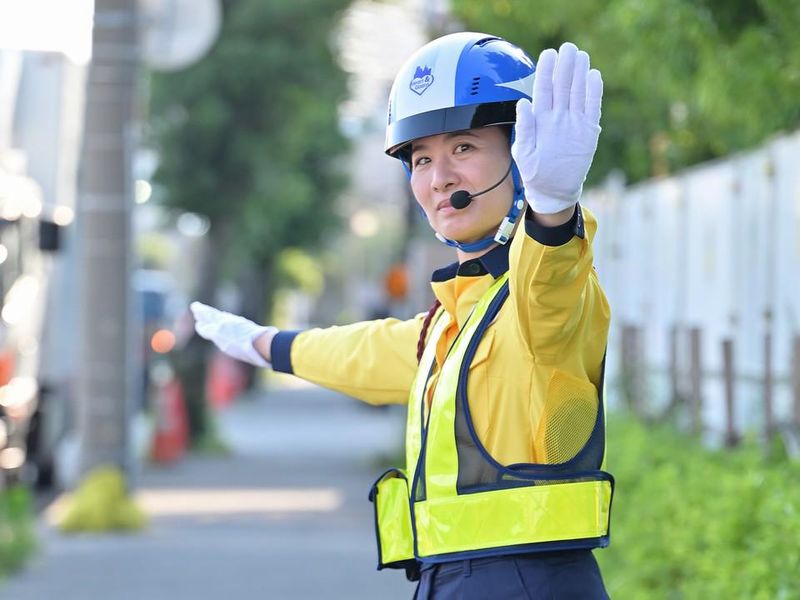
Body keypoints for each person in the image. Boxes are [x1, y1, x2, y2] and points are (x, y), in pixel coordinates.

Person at [191, 32, 613, 599]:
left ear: (522, 153)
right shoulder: (452, 325)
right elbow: (361, 353)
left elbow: (551, 282)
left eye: (464, 147)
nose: (440, 178)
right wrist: (261, 342)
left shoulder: (543, 302)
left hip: (530, 584)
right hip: (454, 582)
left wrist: (554, 211)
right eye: (421, 159)